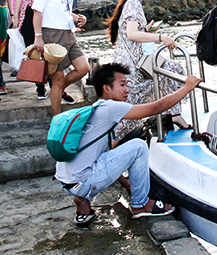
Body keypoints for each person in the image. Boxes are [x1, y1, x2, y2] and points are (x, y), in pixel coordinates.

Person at [56, 63, 202, 226]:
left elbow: (104, 156)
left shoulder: (96, 109)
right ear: (107, 89)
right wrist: (187, 87)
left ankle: (82, 202)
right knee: (138, 146)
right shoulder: (111, 107)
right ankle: (140, 205)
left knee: (110, 153)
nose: (127, 90)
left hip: (68, 181)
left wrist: (127, 184)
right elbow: (157, 107)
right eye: (122, 85)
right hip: (83, 181)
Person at [106, 0, 190, 142]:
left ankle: (173, 112)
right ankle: (172, 113)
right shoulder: (133, 4)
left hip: (131, 63)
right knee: (128, 114)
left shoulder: (132, 2)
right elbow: (131, 34)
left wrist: (147, 29)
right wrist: (160, 37)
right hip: (133, 68)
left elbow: (132, 32)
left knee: (171, 69)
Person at [32, 0, 89, 116]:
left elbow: (63, 10)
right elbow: (37, 12)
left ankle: (60, 90)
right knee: (56, 78)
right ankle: (56, 118)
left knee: (83, 67)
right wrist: (38, 36)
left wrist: (76, 17)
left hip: (68, 33)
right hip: (52, 34)